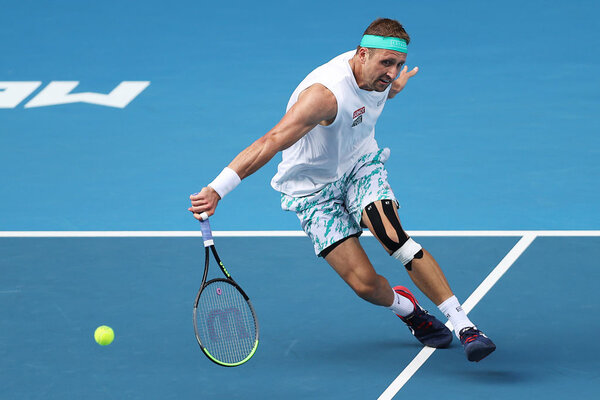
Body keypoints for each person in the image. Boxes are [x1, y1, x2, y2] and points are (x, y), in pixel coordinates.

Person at [189, 18, 496, 362]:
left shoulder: (380, 78)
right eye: (386, 63)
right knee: (364, 284)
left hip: (359, 165)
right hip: (310, 190)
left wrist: (394, 86)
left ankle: (465, 326)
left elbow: (383, 90)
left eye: (398, 65)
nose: (393, 73)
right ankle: (406, 308)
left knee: (392, 236)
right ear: (361, 55)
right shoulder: (324, 96)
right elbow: (271, 141)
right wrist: (218, 189)